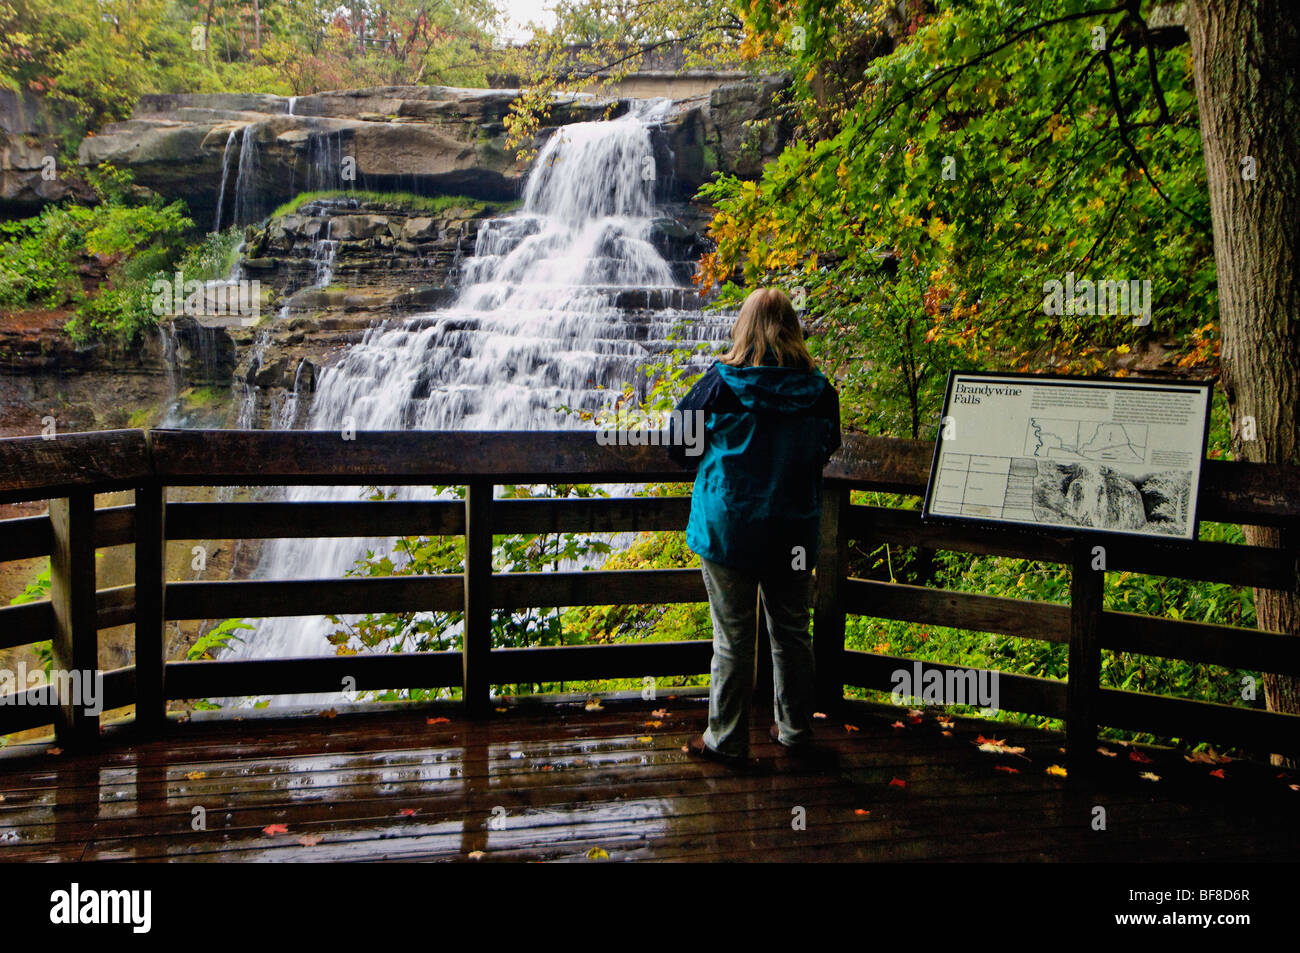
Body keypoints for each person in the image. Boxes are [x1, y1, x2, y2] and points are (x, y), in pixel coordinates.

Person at [667, 287, 841, 765]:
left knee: (734, 637)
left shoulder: (720, 385)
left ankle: (727, 740)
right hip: (792, 529)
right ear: (794, 328)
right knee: (791, 632)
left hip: (730, 529)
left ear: (742, 327)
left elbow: (678, 446)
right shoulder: (819, 391)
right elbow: (827, 447)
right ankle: (796, 732)